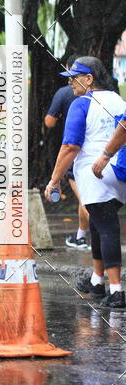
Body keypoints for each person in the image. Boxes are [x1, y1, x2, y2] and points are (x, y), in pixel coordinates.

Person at [44, 57, 126, 309]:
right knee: (99, 226)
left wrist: (54, 180)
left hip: (95, 174)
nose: (70, 82)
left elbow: (70, 146)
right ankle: (98, 281)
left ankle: (116, 290)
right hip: (119, 171)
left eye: (74, 77)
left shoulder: (82, 104)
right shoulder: (118, 100)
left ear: (89, 79)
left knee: (107, 227)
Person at [44, 57, 89, 248]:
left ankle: (101, 239)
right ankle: (80, 236)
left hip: (76, 154)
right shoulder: (107, 96)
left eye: (72, 76)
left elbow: (49, 122)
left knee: (88, 201)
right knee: (86, 197)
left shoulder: (64, 93)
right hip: (103, 154)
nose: (70, 81)